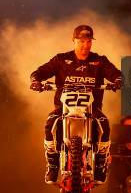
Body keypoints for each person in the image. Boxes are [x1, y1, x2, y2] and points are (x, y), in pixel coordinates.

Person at [30, 25, 122, 184]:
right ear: (74, 41)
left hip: (91, 109)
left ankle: (100, 163)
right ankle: (52, 165)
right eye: (81, 41)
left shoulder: (100, 61)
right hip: (64, 108)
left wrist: (118, 80)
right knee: (49, 123)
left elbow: (116, 74)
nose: (85, 45)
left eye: (88, 41)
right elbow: (40, 72)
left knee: (105, 124)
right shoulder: (61, 59)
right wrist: (36, 81)